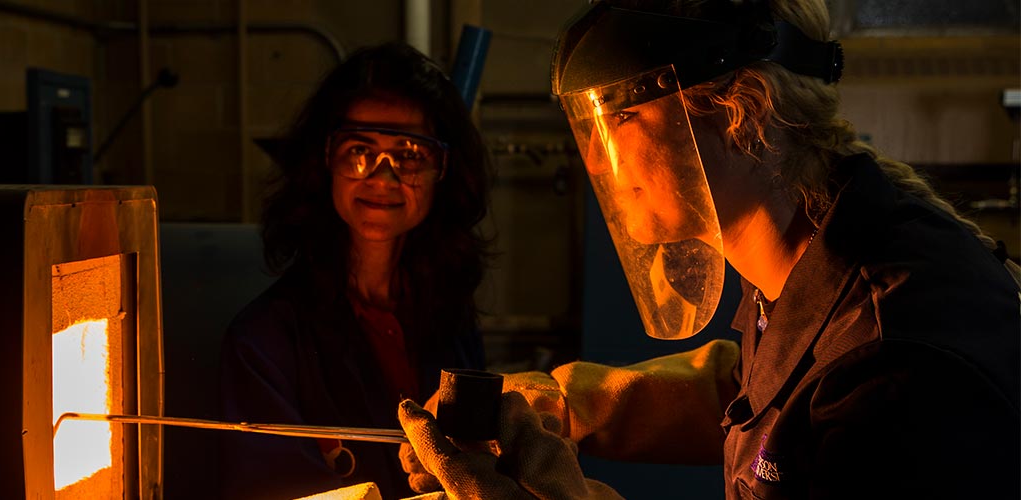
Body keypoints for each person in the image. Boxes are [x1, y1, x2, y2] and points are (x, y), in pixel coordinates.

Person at [396, 0, 1021, 498]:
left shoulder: (894, 365)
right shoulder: (818, 247)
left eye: (621, 118)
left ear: (739, 113)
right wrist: (566, 404)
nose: (595, 160)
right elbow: (761, 390)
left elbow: (826, 399)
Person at [216, 41, 493, 500]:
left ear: (442, 169)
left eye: (409, 154)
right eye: (359, 150)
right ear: (325, 159)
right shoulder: (263, 344)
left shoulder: (451, 320)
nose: (383, 178)